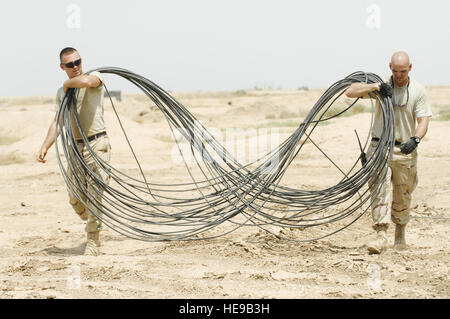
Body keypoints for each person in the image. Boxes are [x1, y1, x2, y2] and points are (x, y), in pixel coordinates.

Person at [345, 51, 432, 254]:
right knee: (379, 189)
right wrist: (375, 88)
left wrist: (415, 139)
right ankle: (381, 235)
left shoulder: (418, 91)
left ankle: (400, 232)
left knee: (403, 192)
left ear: (410, 68)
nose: (399, 75)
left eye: (403, 71)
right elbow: (350, 91)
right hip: (379, 148)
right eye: (395, 71)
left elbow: (423, 121)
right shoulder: (381, 85)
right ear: (389, 67)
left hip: (404, 149)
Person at [36, 47, 111, 256]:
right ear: (62, 67)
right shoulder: (62, 94)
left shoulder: (94, 77)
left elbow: (87, 82)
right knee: (75, 197)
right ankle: (94, 218)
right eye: (70, 65)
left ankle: (93, 241)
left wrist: (68, 83)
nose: (76, 67)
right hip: (76, 147)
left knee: (95, 193)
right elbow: (58, 121)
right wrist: (44, 146)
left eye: (78, 62)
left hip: (98, 144)